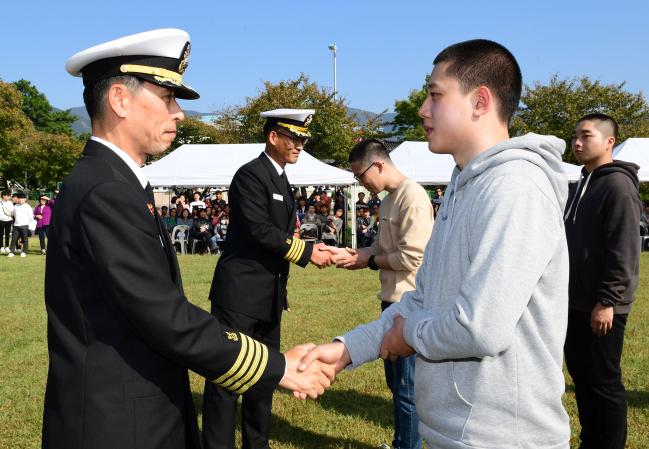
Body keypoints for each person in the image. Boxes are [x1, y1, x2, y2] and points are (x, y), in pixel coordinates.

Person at [43, 29, 334, 449]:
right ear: (120, 99)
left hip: (138, 405)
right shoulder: (105, 190)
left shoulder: (117, 181)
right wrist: (276, 367)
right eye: (167, 97)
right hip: (119, 421)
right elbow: (163, 316)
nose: (179, 113)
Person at [303, 39, 571, 449]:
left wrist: (408, 333)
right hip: (457, 431)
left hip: (501, 438)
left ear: (480, 101)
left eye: (435, 95)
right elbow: (421, 297)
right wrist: (345, 350)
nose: (423, 109)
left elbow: (481, 328)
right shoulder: (464, 185)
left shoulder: (516, 187)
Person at [202, 108, 334, 449]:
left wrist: (281, 289)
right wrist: (307, 251)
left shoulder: (280, 178)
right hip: (240, 295)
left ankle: (256, 444)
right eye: (294, 138)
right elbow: (260, 231)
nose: (300, 145)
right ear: (273, 136)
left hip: (268, 295)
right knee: (227, 378)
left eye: (303, 139)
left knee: (265, 375)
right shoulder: (250, 176)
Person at [334, 139, 434, 449]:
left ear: (378, 165)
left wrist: (373, 261)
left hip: (410, 303)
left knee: (407, 388)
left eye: (360, 175)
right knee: (397, 384)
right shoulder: (389, 199)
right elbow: (380, 248)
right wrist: (356, 256)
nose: (361, 184)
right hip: (391, 302)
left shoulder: (413, 197)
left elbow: (413, 257)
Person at [563, 114, 641, 449]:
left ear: (609, 141)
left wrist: (607, 301)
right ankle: (592, 440)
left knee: (603, 382)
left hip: (601, 306)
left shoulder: (617, 185)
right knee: (583, 380)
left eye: (586, 135)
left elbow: (624, 248)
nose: (577, 142)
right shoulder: (582, 182)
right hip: (574, 303)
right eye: (575, 136)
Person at [7, 192, 32, 258]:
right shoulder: (16, 206)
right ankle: (11, 252)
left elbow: (30, 217)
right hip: (16, 225)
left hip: (24, 225)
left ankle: (24, 251)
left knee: (25, 239)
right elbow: (14, 215)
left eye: (22, 198)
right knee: (14, 239)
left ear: (25, 199)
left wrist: (26, 222)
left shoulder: (27, 206)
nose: (20, 200)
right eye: (19, 198)